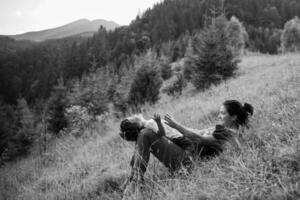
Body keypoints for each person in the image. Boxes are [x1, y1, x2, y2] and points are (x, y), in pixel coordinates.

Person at [121, 100, 254, 193]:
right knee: (145, 134)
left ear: (234, 117)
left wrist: (176, 125)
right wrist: (175, 131)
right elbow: (199, 132)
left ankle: (136, 182)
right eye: (220, 112)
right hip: (185, 154)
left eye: (223, 113)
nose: (219, 115)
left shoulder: (227, 134)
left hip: (189, 162)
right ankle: (133, 178)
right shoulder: (221, 128)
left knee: (145, 134)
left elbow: (199, 138)